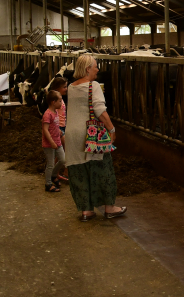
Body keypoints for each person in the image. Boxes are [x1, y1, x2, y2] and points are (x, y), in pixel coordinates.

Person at [64, 54, 126, 221]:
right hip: (90, 134)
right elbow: (100, 111)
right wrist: (111, 128)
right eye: (95, 66)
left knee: (78, 172)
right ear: (87, 69)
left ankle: (86, 210)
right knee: (103, 169)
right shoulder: (94, 86)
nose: (98, 69)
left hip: (71, 135)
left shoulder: (71, 87)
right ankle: (110, 207)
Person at [42, 90, 66, 192]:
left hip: (57, 141)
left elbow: (54, 125)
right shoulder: (47, 114)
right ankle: (48, 184)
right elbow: (45, 129)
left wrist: (59, 131)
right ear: (53, 102)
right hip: (49, 144)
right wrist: (51, 142)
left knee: (63, 160)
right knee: (50, 163)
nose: (61, 103)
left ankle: (53, 175)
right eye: (60, 101)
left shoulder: (55, 112)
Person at [50, 77, 68, 181]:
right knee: (64, 150)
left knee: (60, 152)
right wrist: (57, 128)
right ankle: (65, 171)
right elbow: (54, 115)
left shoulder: (60, 99)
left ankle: (55, 172)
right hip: (59, 128)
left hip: (63, 127)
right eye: (64, 87)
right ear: (57, 88)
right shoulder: (56, 101)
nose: (66, 89)